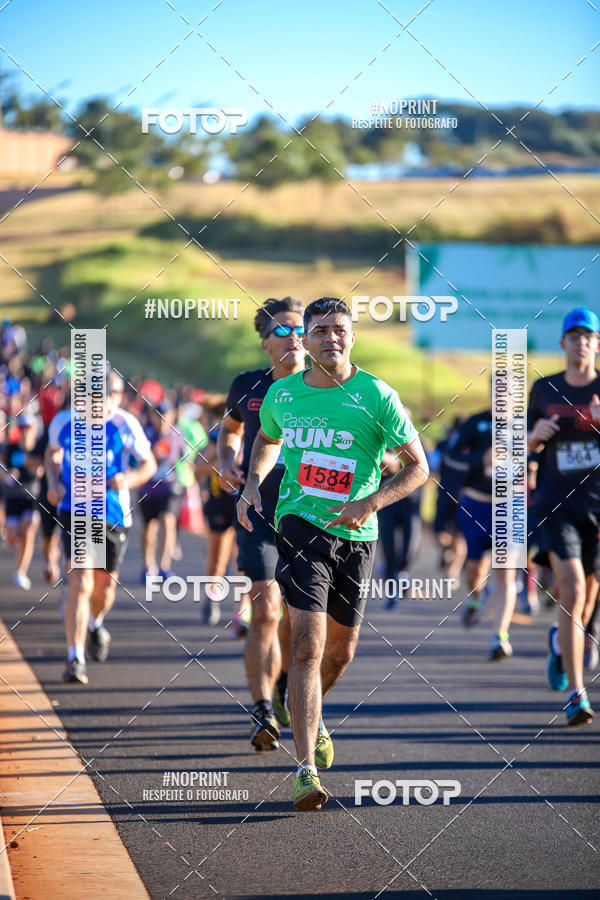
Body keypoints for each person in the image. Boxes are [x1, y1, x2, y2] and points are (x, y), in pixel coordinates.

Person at [238, 296, 428, 810]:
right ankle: (303, 770)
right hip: (300, 525)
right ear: (306, 338)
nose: (329, 337)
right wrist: (253, 484)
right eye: (318, 330)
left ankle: (313, 714)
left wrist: (370, 501)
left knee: (341, 653)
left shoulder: (377, 395)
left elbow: (418, 468)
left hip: (357, 536)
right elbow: (265, 439)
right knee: (307, 645)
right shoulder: (284, 393)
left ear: (352, 336)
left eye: (339, 329)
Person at [218, 297, 306, 750]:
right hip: (257, 512)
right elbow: (229, 428)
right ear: (265, 342)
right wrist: (225, 459)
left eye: (299, 328)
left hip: (312, 518)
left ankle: (285, 681)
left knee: (298, 618)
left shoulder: (331, 387)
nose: (294, 336)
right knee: (267, 609)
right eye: (283, 330)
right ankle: (262, 711)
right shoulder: (247, 386)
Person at [46, 370, 156, 684]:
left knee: (104, 589)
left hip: (113, 513)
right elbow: (52, 452)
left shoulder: (124, 424)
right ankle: (74, 657)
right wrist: (53, 481)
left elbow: (148, 464)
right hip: (75, 510)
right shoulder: (63, 422)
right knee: (80, 582)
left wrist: (128, 479)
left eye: (105, 399)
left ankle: (94, 623)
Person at [528, 307, 600, 726]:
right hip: (556, 505)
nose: (580, 342)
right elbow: (522, 442)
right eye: (572, 336)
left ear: (596, 343)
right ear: (563, 344)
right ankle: (577, 693)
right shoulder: (544, 389)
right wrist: (534, 438)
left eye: (587, 336)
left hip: (597, 507)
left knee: (589, 596)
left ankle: (560, 640)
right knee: (571, 591)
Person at [450, 399, 518, 660]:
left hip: (509, 507)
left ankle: (500, 637)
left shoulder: (525, 425)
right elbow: (454, 455)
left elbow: (539, 453)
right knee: (475, 570)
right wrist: (482, 459)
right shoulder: (476, 421)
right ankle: (476, 598)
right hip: (476, 504)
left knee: (505, 574)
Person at [3, 413, 42, 589]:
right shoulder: (11, 448)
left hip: (31, 497)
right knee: (11, 538)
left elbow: (42, 466)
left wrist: (30, 462)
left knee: (29, 532)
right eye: (23, 428)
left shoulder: (38, 448)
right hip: (13, 497)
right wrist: (7, 475)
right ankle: (18, 548)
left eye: (29, 428)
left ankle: (21, 571)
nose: (26, 432)